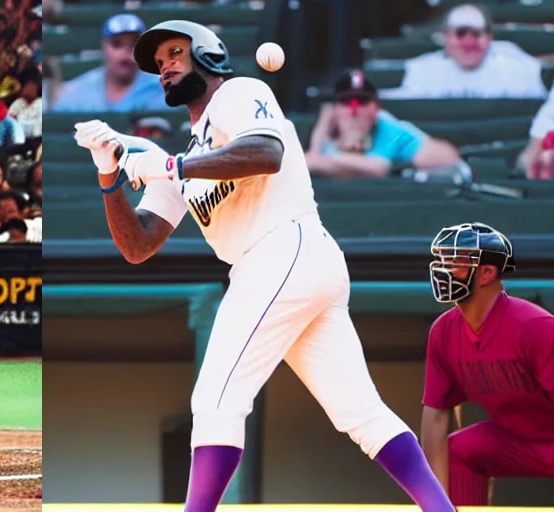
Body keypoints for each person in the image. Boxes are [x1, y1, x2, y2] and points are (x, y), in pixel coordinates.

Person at [72, 21, 453, 510]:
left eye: (174, 52)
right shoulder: (187, 154)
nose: (164, 65)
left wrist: (170, 167)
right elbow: (138, 245)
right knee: (360, 414)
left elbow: (266, 152)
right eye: (158, 61)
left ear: (207, 55)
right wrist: (109, 172)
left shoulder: (237, 93)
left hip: (284, 245)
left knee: (214, 401)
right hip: (286, 266)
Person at [420, 222, 554, 506]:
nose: (443, 270)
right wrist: (435, 502)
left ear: (487, 273)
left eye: (454, 263)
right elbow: (435, 418)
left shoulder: (534, 326)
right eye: (442, 260)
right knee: (457, 450)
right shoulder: (443, 332)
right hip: (519, 439)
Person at [306, 70, 462, 179]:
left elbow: (377, 168)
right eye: (345, 103)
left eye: (363, 103)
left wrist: (322, 160)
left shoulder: (389, 128)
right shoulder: (327, 128)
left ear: (375, 109)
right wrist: (322, 127)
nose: (355, 110)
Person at [383, 3, 546, 100]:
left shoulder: (519, 68)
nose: (469, 43)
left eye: (476, 34)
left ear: (489, 38)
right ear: (446, 38)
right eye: (460, 33)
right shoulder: (422, 72)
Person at [49, 13, 171, 113]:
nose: (125, 53)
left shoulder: (162, 89)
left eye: (134, 44)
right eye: (117, 44)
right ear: (103, 47)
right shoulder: (76, 92)